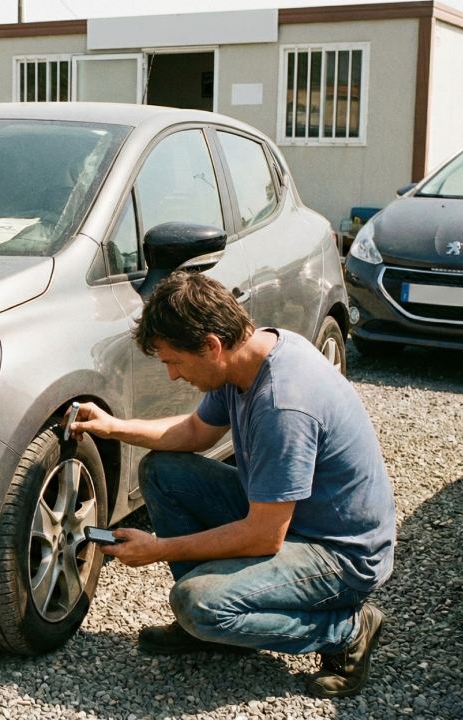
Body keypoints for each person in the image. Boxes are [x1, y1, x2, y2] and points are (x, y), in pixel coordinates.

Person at [68, 272, 395, 699]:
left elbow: (264, 536)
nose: (171, 376)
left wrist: (158, 549)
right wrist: (114, 427)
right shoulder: (251, 359)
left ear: (212, 345)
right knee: (162, 472)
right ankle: (213, 632)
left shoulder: (283, 404)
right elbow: (195, 433)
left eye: (175, 362)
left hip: (340, 553)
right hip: (293, 518)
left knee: (197, 604)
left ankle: (345, 630)